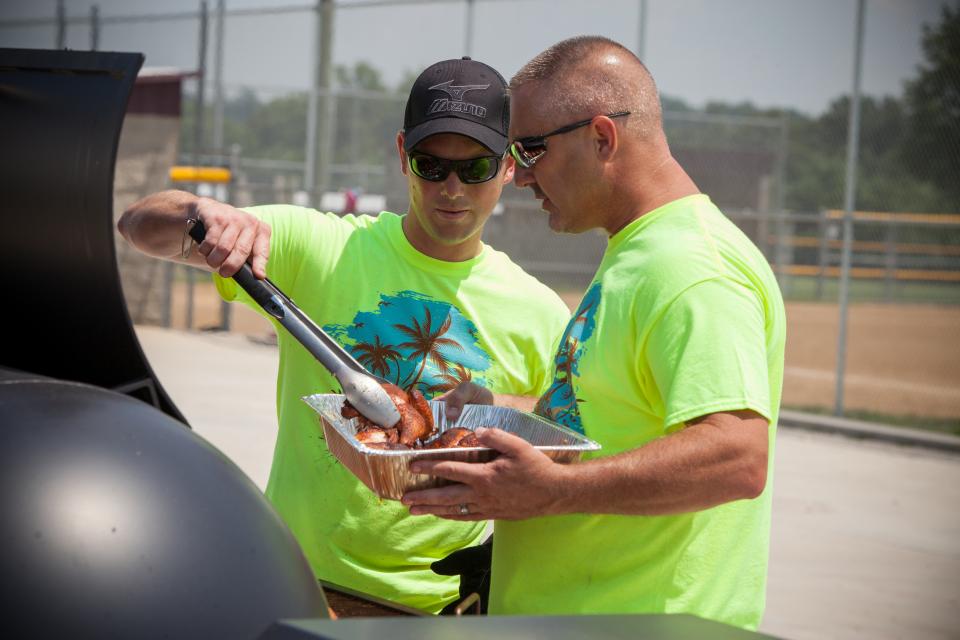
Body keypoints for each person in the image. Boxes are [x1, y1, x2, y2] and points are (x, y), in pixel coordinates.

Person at [117, 56, 570, 614]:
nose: (452, 188)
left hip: (438, 604)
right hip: (296, 582)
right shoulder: (320, 247)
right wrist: (198, 211)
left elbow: (569, 427)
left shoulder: (539, 312)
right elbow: (138, 226)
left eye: (474, 169)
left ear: (506, 168)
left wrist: (496, 408)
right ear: (403, 153)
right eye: (431, 166)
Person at [401, 36, 787, 630]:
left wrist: (553, 492)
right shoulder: (639, 251)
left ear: (602, 137)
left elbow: (735, 455)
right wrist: (494, 412)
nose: (521, 177)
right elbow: (609, 414)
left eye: (529, 150)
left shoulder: (691, 267)